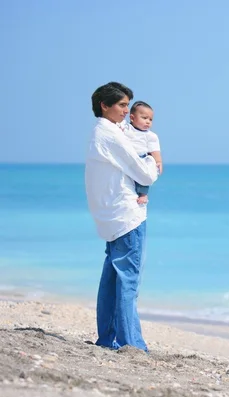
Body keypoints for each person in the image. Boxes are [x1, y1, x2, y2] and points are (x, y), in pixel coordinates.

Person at [85, 81, 159, 352]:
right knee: (127, 280)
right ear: (105, 106)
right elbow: (147, 174)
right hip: (127, 216)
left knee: (112, 280)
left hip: (112, 217)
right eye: (122, 105)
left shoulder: (101, 133)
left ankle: (108, 339)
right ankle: (132, 344)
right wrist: (153, 158)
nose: (126, 111)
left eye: (128, 105)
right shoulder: (111, 135)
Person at [120, 101, 163, 205]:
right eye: (144, 118)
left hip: (141, 159)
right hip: (128, 158)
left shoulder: (150, 136)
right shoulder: (126, 128)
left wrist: (158, 161)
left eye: (150, 119)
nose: (148, 122)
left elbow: (154, 149)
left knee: (144, 175)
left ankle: (143, 194)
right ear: (132, 118)